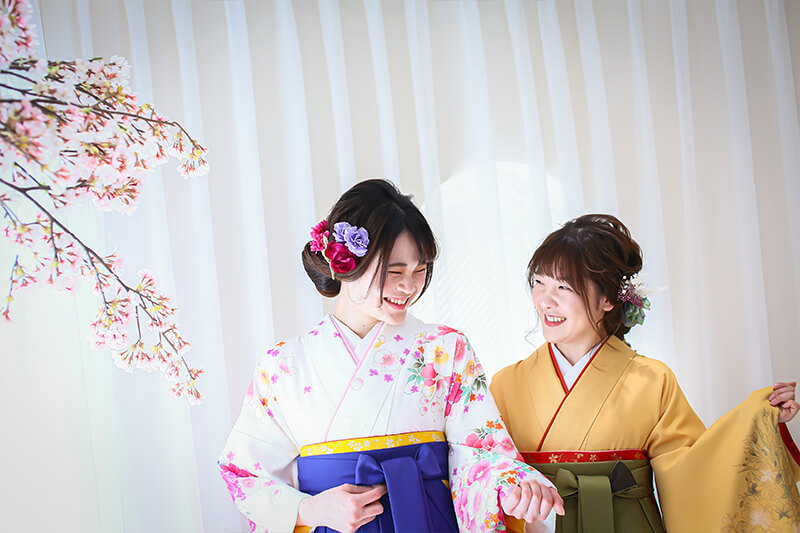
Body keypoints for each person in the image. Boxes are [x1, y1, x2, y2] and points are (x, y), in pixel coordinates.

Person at [219, 179, 564, 533]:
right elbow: (243, 472)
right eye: (394, 271)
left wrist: (511, 486)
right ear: (344, 262)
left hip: (428, 520)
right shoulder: (283, 365)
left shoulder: (445, 349)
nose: (408, 286)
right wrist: (309, 510)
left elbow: (479, 451)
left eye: (419, 270)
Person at [490, 214, 800, 533]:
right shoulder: (506, 384)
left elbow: (695, 473)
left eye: (564, 287)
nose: (545, 300)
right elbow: (484, 473)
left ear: (607, 298)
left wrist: (760, 420)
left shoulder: (652, 380)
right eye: (539, 282)